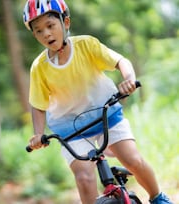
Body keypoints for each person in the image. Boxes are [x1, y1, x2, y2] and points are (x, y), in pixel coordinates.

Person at [23, 0, 173, 203]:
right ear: (34, 35)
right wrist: (38, 134)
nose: (46, 34)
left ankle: (158, 197)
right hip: (71, 129)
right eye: (39, 31)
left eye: (50, 26)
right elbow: (38, 105)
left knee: (133, 161)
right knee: (84, 178)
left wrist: (128, 79)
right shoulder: (39, 67)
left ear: (65, 22)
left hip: (105, 115)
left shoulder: (86, 45)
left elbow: (120, 61)